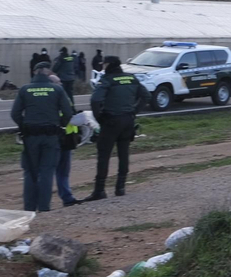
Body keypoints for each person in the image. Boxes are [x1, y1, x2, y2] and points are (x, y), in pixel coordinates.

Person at [10, 62, 73, 212]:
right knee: (47, 171)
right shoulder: (57, 89)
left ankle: (29, 208)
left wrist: (23, 126)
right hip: (51, 136)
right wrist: (60, 126)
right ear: (48, 72)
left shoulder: (25, 89)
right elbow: (68, 112)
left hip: (30, 136)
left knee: (30, 171)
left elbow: (15, 114)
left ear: (34, 72)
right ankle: (44, 207)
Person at [87, 57, 144, 200]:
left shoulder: (108, 80)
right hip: (128, 121)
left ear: (109, 64)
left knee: (104, 155)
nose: (103, 66)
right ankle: (120, 188)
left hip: (111, 121)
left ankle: (99, 190)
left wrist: (99, 117)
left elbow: (95, 100)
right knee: (123, 153)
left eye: (104, 63)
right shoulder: (131, 78)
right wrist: (134, 111)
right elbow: (146, 95)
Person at [46, 74, 84, 208]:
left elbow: (70, 112)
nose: (61, 84)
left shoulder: (64, 95)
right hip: (57, 138)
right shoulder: (51, 97)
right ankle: (45, 201)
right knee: (49, 171)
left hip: (68, 138)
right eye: (58, 82)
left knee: (63, 171)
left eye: (60, 81)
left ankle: (67, 198)